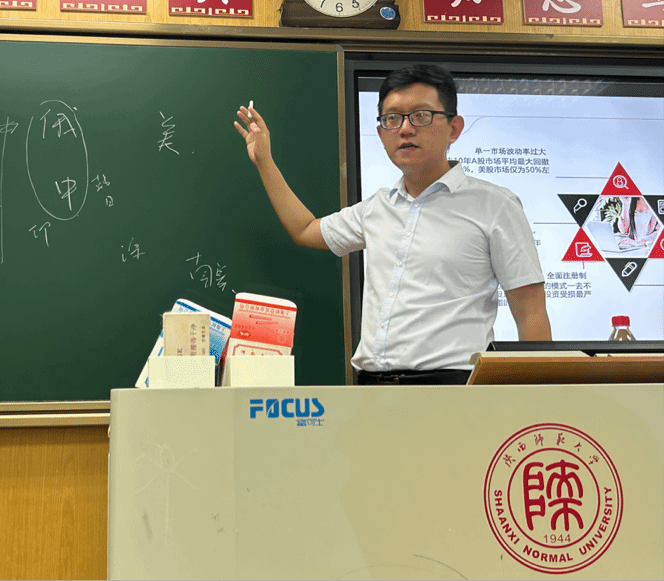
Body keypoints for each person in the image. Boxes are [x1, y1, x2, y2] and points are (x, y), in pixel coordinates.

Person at [234, 63, 551, 385]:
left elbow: (531, 312)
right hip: (372, 387)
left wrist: (539, 398)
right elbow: (305, 229)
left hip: (454, 388)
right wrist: (264, 161)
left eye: (421, 116)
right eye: (392, 118)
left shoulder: (495, 205)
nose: (405, 129)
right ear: (381, 133)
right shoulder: (377, 208)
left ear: (454, 128)